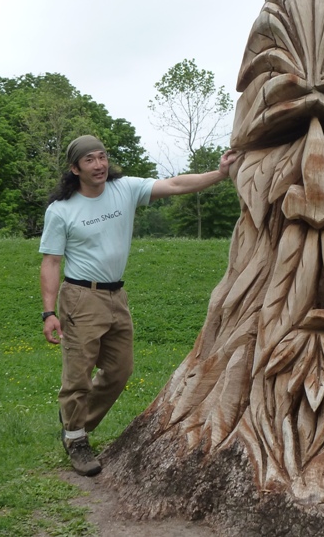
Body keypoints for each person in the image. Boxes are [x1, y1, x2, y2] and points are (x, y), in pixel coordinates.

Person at [39, 135, 237, 476]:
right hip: (81, 297)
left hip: (117, 295)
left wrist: (219, 174)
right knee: (78, 375)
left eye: (102, 157)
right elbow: (51, 262)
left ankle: (75, 423)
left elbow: (174, 184)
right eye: (90, 160)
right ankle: (77, 440)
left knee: (120, 370)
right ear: (75, 169)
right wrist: (49, 312)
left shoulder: (124, 189)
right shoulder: (62, 211)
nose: (99, 165)